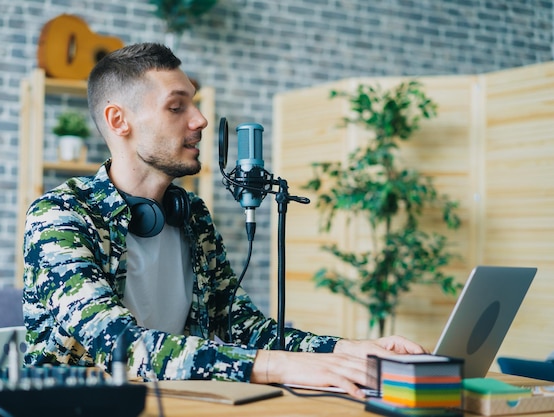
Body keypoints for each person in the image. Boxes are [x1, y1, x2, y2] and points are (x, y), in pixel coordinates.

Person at [22, 42, 425, 398]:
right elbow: (121, 345)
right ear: (118, 121)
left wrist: (347, 351)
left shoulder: (191, 215)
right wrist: (277, 366)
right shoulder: (59, 217)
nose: (199, 120)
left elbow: (244, 325)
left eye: (193, 104)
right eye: (177, 107)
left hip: (178, 405)